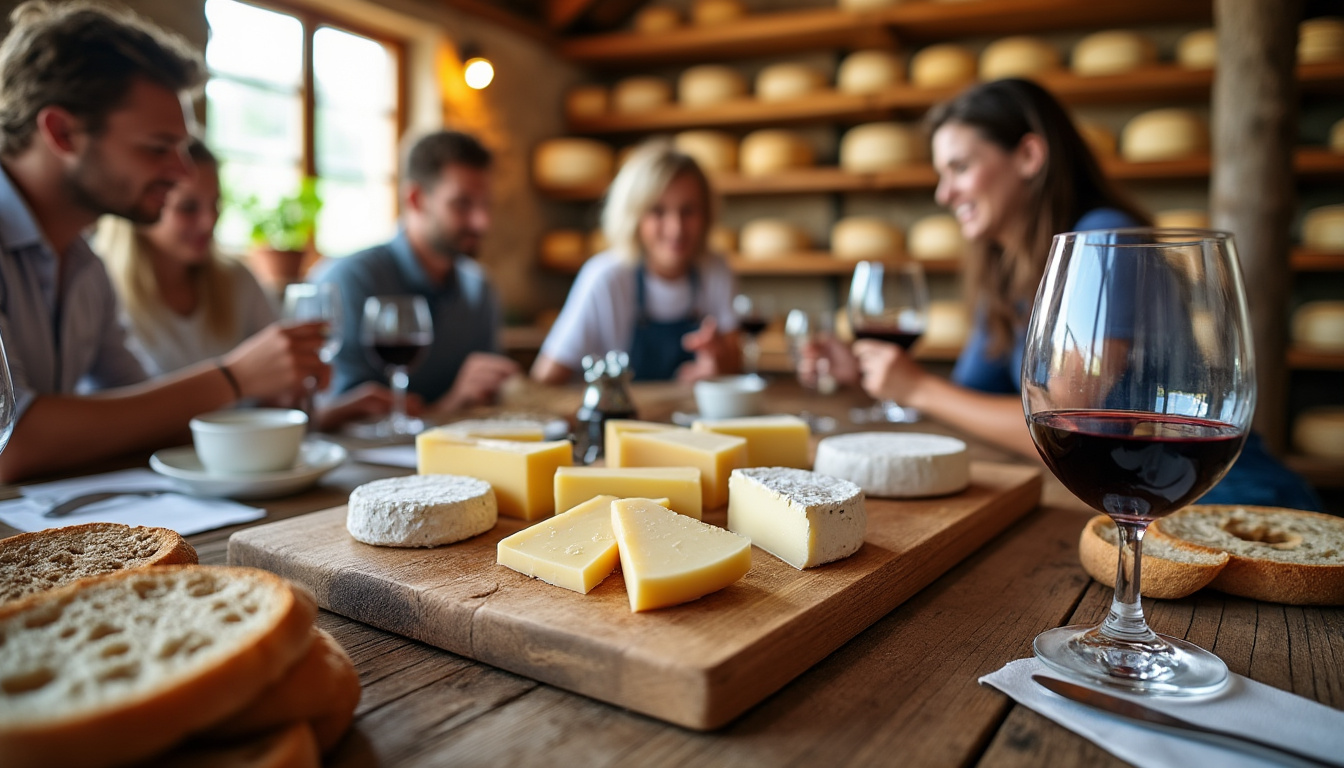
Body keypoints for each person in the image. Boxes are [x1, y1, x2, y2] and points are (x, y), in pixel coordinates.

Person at [805, 78, 1320, 510]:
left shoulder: (1104, 240)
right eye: (942, 175)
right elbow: (975, 401)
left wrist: (917, 388)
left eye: (960, 168)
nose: (944, 194)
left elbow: (1065, 420)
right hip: (1125, 505)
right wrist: (871, 373)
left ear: (1029, 155)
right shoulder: (1007, 267)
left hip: (1221, 505)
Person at [0, 1, 327, 483]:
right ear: (62, 132)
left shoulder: (85, 265)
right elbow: (11, 443)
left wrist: (265, 403)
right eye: (157, 148)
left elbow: (146, 414)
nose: (181, 172)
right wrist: (234, 378)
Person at [95, 137, 396, 431]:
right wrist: (240, 378)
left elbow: (273, 404)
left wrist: (289, 394)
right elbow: (125, 420)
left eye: (215, 205)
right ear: (144, 204)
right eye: (188, 208)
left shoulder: (236, 280)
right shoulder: (101, 289)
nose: (208, 221)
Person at [312, 130, 518, 416]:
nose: (481, 222)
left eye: (486, 205)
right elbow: (343, 419)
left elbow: (485, 404)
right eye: (462, 204)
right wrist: (449, 404)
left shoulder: (480, 289)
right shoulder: (349, 281)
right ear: (416, 199)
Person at [531, 139, 741, 383]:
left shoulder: (715, 270)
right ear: (633, 215)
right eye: (658, 211)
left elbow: (734, 365)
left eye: (688, 210)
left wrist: (717, 368)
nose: (676, 229)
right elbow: (544, 378)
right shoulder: (605, 277)